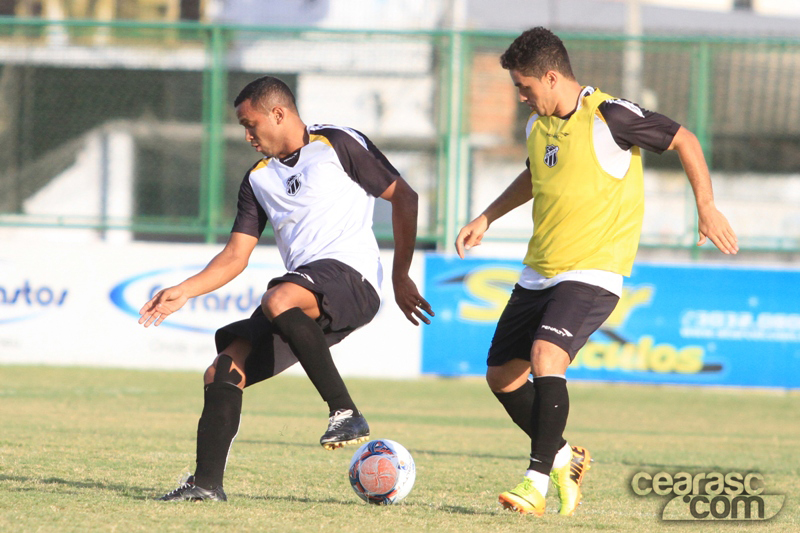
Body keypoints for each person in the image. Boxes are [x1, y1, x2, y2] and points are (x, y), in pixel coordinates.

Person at [455, 27, 738, 516]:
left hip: (594, 270)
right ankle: (565, 456)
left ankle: (535, 482)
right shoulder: (536, 126)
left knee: (547, 354)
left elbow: (683, 139)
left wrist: (707, 207)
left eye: (525, 87)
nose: (520, 96)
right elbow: (535, 174)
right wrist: (487, 216)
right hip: (539, 269)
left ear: (550, 76)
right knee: (501, 377)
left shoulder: (610, 115)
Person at [139, 75, 434, 502]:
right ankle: (206, 484)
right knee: (224, 370)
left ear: (278, 113)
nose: (247, 136)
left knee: (279, 296)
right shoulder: (257, 180)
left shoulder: (337, 143)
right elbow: (235, 256)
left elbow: (404, 197)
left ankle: (344, 410)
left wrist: (400, 274)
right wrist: (186, 290)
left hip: (353, 280)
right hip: (303, 300)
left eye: (250, 124)